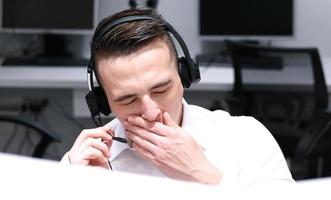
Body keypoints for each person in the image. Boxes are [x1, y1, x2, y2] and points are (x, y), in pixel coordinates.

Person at [61, 8, 294, 187]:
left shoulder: (247, 139)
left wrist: (201, 175)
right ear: (103, 102)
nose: (150, 113)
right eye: (128, 100)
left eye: (161, 90)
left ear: (185, 75)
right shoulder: (82, 165)